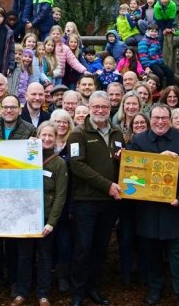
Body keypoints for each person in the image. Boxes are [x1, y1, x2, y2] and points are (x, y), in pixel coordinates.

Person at [127, 105, 179, 306]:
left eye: (164, 118)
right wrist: (159, 160)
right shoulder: (139, 140)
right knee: (151, 251)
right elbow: (133, 172)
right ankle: (155, 288)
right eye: (156, 118)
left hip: (174, 206)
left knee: (178, 253)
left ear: (170, 118)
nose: (160, 122)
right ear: (150, 119)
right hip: (148, 208)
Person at [68, 91, 124, 306]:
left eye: (104, 107)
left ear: (110, 108)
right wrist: (107, 185)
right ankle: (77, 292)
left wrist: (122, 161)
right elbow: (77, 166)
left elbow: (124, 165)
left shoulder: (118, 134)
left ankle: (92, 287)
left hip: (110, 202)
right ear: (89, 107)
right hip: (86, 201)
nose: (100, 110)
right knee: (83, 247)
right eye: (96, 106)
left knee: (100, 248)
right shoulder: (78, 134)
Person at [11, 122, 68, 306]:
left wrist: (51, 222)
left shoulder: (59, 163)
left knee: (45, 256)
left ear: (55, 138)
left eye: (51, 135)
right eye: (44, 135)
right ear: (37, 136)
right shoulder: (26, 158)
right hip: (26, 217)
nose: (47, 139)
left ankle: (43, 294)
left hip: (46, 219)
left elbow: (61, 195)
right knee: (24, 255)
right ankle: (22, 292)